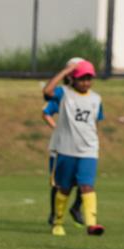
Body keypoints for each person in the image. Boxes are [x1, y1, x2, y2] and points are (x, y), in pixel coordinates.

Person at [42, 59, 105, 236]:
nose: (85, 82)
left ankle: (92, 224)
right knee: (64, 188)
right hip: (66, 149)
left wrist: (95, 143)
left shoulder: (96, 98)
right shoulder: (64, 94)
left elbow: (95, 122)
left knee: (87, 186)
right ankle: (58, 221)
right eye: (81, 79)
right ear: (73, 79)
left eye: (89, 79)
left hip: (88, 150)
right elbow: (47, 91)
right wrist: (66, 70)